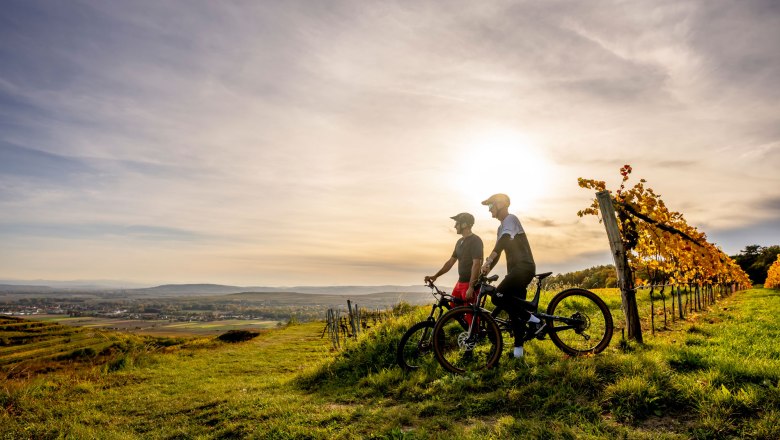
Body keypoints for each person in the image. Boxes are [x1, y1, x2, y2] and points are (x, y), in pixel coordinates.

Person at [480, 193, 541, 359]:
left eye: (490, 206)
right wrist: (485, 272)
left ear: (500, 204)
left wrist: (488, 260)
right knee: (514, 313)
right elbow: (498, 252)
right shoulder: (501, 228)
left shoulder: (511, 219)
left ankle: (532, 319)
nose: (489, 210)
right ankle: (518, 352)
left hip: (523, 268)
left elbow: (504, 241)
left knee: (497, 297)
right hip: (515, 271)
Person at [424, 213, 484, 318]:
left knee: (471, 318)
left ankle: (474, 329)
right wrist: (435, 276)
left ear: (464, 224)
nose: (455, 226)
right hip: (460, 283)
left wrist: (471, 287)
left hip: (469, 284)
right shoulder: (459, 242)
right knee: (453, 311)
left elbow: (476, 264)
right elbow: (450, 262)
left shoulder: (476, 241)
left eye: (457, 223)